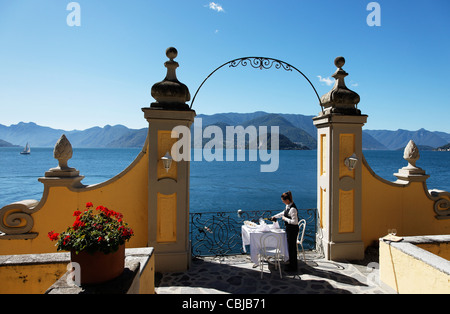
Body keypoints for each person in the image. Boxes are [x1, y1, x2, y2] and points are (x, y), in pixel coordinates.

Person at [271, 191, 299, 272]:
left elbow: (295, 222)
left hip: (293, 230)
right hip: (289, 229)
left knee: (292, 248)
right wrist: (275, 216)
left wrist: (285, 219)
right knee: (290, 247)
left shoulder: (293, 209)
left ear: (287, 200)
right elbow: (283, 213)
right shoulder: (288, 206)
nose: (282, 202)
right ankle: (290, 263)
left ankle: (293, 267)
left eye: (283, 200)